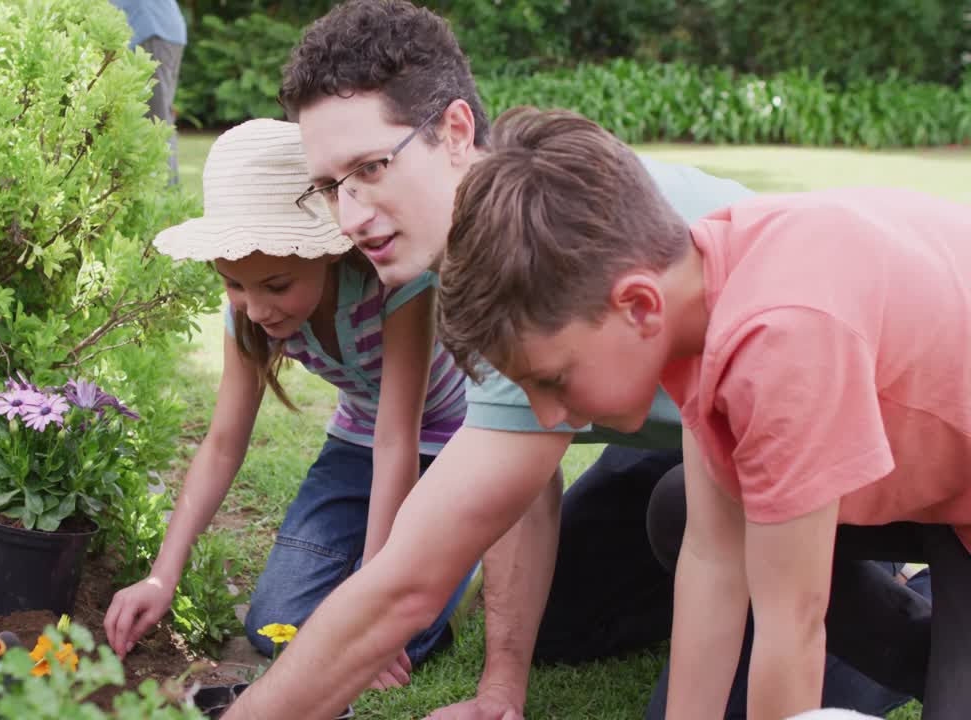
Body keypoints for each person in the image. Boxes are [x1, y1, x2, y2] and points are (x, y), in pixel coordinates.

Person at [222, 2, 919, 718]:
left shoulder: (557, 244)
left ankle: (910, 607)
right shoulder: (455, 265)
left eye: (371, 167)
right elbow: (516, 472)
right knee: (564, 620)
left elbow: (407, 585)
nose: (352, 216)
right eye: (334, 186)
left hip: (832, 437)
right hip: (690, 449)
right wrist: (502, 688)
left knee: (759, 659)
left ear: (456, 131)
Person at [435, 106, 971, 718]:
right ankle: (933, 656)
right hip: (928, 469)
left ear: (637, 305)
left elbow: (790, 624)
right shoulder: (697, 290)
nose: (550, 415)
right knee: (679, 507)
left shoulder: (781, 339)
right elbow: (715, 559)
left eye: (553, 380)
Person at [101, 119, 477, 681]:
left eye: (276, 286)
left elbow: (399, 439)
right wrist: (162, 575)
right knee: (275, 624)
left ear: (326, 251)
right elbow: (224, 443)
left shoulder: (396, 286)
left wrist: (370, 608)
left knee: (397, 639)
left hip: (448, 448)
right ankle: (396, 565)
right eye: (234, 283)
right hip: (357, 442)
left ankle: (461, 559)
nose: (256, 308)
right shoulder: (250, 314)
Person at [113, 0, 186, 182]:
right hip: (156, 30)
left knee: (155, 126)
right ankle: (167, 198)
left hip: (150, 30)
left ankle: (167, 201)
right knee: (156, 123)